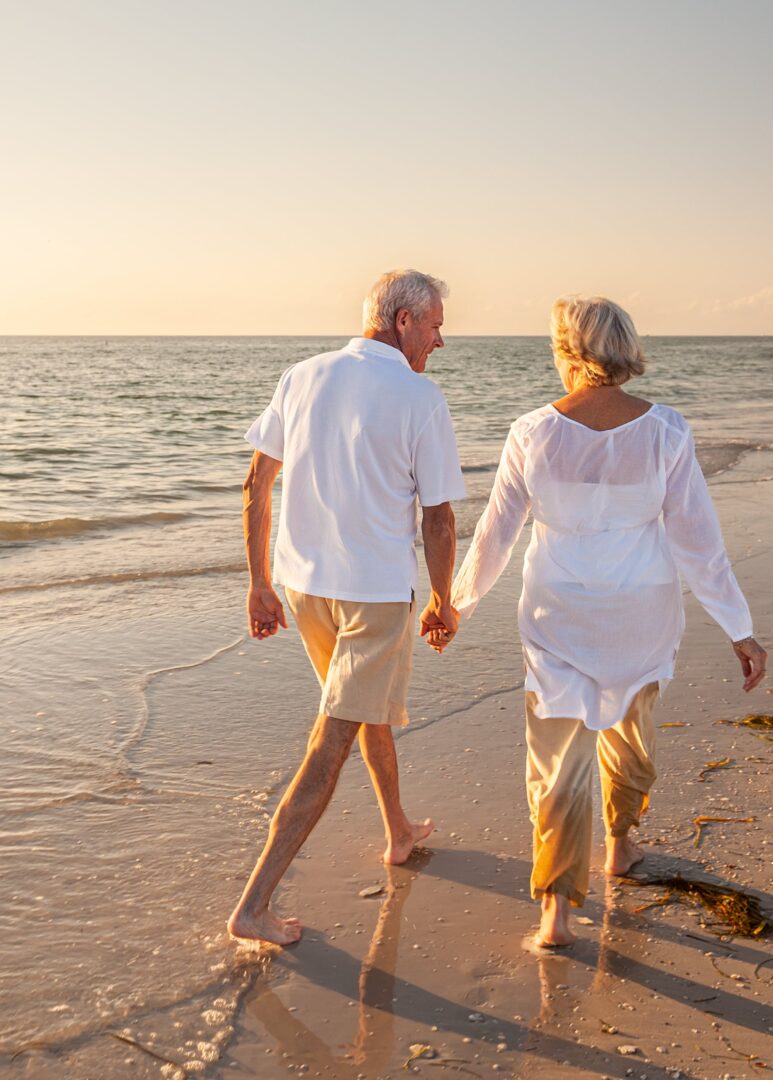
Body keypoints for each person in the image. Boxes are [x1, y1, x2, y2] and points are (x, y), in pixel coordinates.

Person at [450, 294, 768, 948]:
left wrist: (454, 605)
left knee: (557, 760)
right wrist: (739, 626)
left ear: (568, 351)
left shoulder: (532, 432)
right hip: (640, 614)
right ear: (622, 350)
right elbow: (698, 543)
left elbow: (494, 540)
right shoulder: (667, 431)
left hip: (557, 613)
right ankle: (619, 846)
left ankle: (557, 913)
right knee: (630, 734)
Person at [227, 269, 466, 946]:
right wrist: (446, 601)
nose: (441, 340)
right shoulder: (420, 398)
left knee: (364, 711)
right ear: (403, 322)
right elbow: (440, 519)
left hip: (304, 590)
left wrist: (260, 583)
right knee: (332, 738)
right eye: (436, 325)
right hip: (374, 598)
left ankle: (397, 831)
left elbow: (255, 486)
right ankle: (254, 905)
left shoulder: (301, 375)